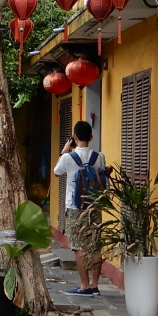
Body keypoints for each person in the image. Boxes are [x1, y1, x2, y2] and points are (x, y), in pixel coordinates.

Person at [53, 120, 108, 296]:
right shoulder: (99, 157)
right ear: (91, 137)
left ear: (74, 137)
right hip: (94, 206)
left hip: (75, 207)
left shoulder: (68, 158)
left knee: (79, 247)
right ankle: (94, 285)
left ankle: (84, 286)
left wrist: (64, 151)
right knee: (95, 245)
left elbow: (56, 172)